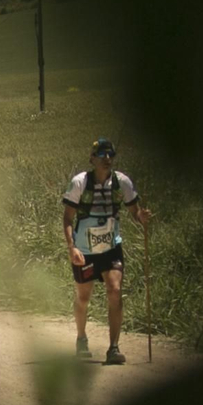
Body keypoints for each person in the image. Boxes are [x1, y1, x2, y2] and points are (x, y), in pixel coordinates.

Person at [61, 137, 153, 365]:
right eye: (102, 154)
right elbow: (67, 218)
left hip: (111, 247)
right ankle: (81, 338)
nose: (107, 159)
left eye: (110, 154)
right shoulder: (79, 183)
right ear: (92, 158)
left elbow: (134, 210)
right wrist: (71, 248)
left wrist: (140, 217)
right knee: (83, 297)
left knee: (114, 290)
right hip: (84, 250)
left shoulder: (122, 182)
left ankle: (113, 348)